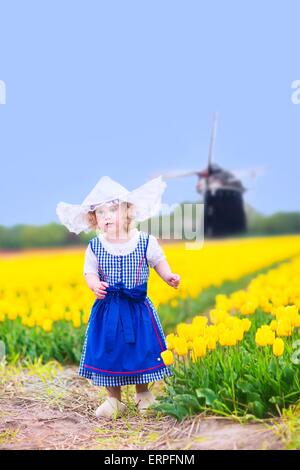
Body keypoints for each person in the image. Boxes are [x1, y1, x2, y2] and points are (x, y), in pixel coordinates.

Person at [56, 175, 180, 419]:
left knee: (141, 349)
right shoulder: (95, 246)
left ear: (128, 212)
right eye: (100, 213)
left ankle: (143, 394)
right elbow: (89, 272)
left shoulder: (146, 241)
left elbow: (158, 262)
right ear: (94, 219)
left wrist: (168, 276)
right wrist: (95, 285)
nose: (107, 216)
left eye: (112, 209)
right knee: (110, 351)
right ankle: (113, 399)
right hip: (108, 309)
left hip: (136, 307)